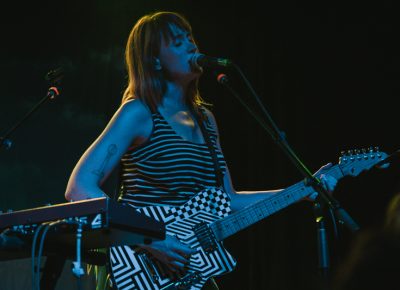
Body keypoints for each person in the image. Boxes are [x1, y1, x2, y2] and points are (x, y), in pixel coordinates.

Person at [65, 11, 337, 290]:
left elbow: (227, 201)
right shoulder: (139, 112)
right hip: (143, 264)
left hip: (188, 269)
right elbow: (79, 187)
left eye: (189, 37)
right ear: (154, 60)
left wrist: (302, 191)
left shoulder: (206, 120)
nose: (192, 45)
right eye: (177, 41)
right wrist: (149, 239)